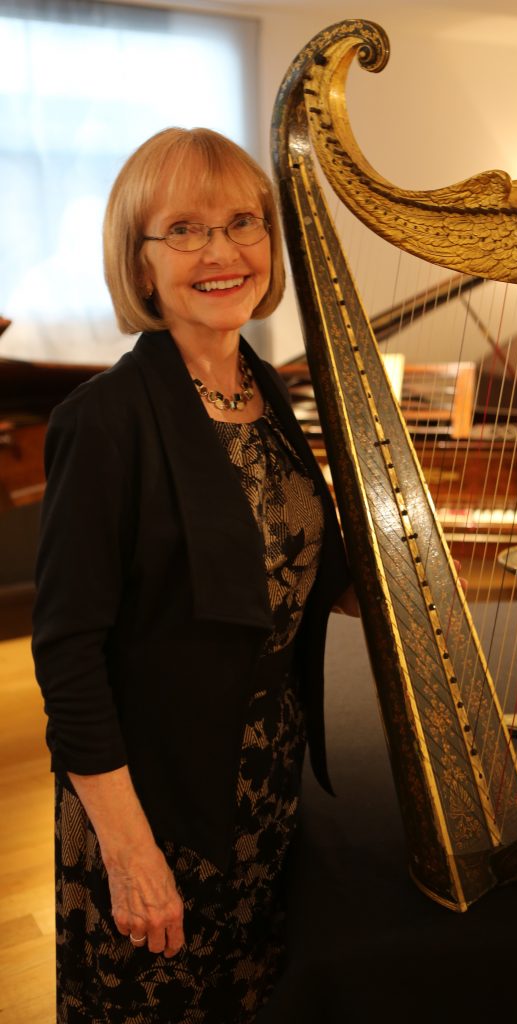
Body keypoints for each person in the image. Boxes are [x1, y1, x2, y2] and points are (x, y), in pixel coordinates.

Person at [32, 126, 352, 1024]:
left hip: (264, 783)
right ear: (141, 266)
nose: (221, 251)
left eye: (242, 223)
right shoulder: (105, 422)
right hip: (155, 798)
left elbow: (290, 572)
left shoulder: (269, 391)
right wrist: (130, 855)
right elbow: (66, 655)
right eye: (184, 229)